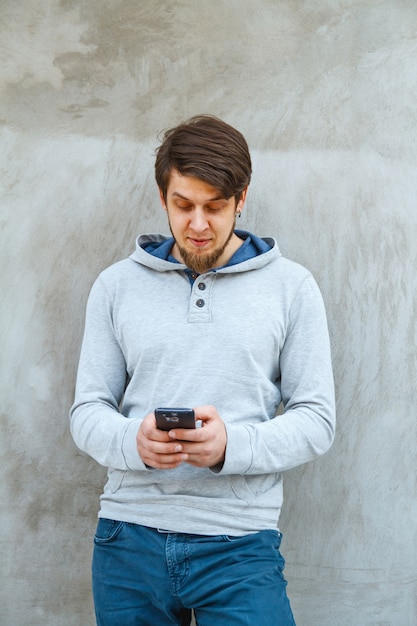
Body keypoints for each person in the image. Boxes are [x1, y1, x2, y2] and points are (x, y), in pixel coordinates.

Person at [70, 114, 336, 626]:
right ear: (163, 198)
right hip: (128, 538)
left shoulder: (293, 288)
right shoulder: (114, 286)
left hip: (240, 544)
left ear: (242, 198)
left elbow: (317, 419)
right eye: (183, 205)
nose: (197, 225)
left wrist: (230, 447)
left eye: (214, 207)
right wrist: (135, 442)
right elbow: (87, 411)